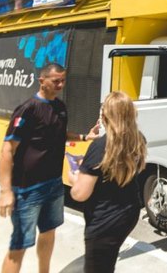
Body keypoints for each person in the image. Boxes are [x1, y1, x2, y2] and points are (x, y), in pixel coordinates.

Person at [0, 63, 98, 273]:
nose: (60, 85)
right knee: (20, 245)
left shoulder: (60, 107)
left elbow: (60, 134)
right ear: (42, 81)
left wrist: (85, 137)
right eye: (55, 81)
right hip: (26, 189)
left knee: (49, 233)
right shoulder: (27, 109)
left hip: (53, 184)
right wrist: (5, 192)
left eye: (63, 80)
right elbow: (7, 150)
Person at [69, 91, 147, 273]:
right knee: (107, 263)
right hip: (128, 213)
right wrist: (87, 166)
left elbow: (80, 194)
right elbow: (117, 168)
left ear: (105, 117)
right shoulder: (138, 140)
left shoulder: (99, 147)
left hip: (104, 221)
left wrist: (74, 174)